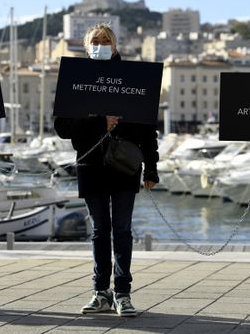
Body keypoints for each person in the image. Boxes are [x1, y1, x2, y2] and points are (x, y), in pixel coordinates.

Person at [54, 23, 159, 317]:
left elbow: (148, 130)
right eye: (95, 41)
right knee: (100, 230)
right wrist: (100, 122)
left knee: (122, 230)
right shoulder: (75, 80)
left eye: (106, 40)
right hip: (90, 163)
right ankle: (101, 291)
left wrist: (151, 168)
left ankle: (123, 293)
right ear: (87, 46)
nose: (100, 44)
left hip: (125, 164)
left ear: (114, 45)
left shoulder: (134, 78)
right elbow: (62, 127)